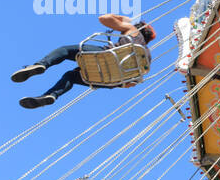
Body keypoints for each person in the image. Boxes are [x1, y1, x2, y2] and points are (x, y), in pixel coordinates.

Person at [13, 13, 156, 109]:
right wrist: (119, 83)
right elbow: (132, 84)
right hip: (114, 80)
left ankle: (41, 65)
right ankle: (50, 95)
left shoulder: (132, 30)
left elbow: (104, 18)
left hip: (107, 56)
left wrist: (126, 20)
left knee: (65, 51)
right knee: (72, 76)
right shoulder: (146, 57)